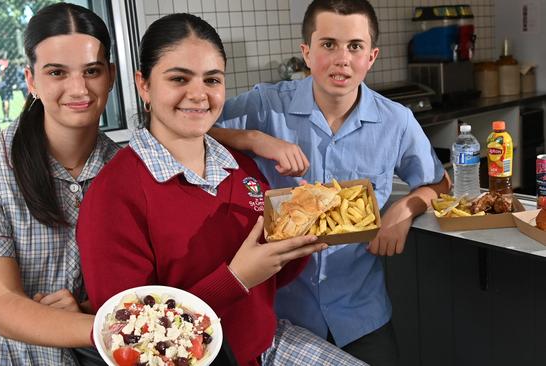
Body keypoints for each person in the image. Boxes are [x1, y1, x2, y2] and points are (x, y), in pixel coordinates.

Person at [76, 13, 366, 366]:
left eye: (212, 79)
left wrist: (301, 234)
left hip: (265, 347)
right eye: (179, 78)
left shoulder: (240, 167)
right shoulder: (113, 196)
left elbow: (274, 279)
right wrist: (236, 279)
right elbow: (132, 342)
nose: (198, 94)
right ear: (144, 85)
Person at [211, 1, 451, 365]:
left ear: (371, 57)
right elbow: (192, 127)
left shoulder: (397, 121)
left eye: (354, 46)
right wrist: (256, 139)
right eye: (328, 45)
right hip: (279, 315)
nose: (342, 59)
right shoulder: (265, 105)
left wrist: (407, 206)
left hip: (361, 315)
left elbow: (440, 182)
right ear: (306, 52)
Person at [0, 3, 119, 365]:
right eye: (57, 72)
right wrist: (109, 325)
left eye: (92, 71)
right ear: (31, 80)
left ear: (110, 77)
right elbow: (4, 306)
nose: (78, 88)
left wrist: (85, 306)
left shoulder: (124, 168)